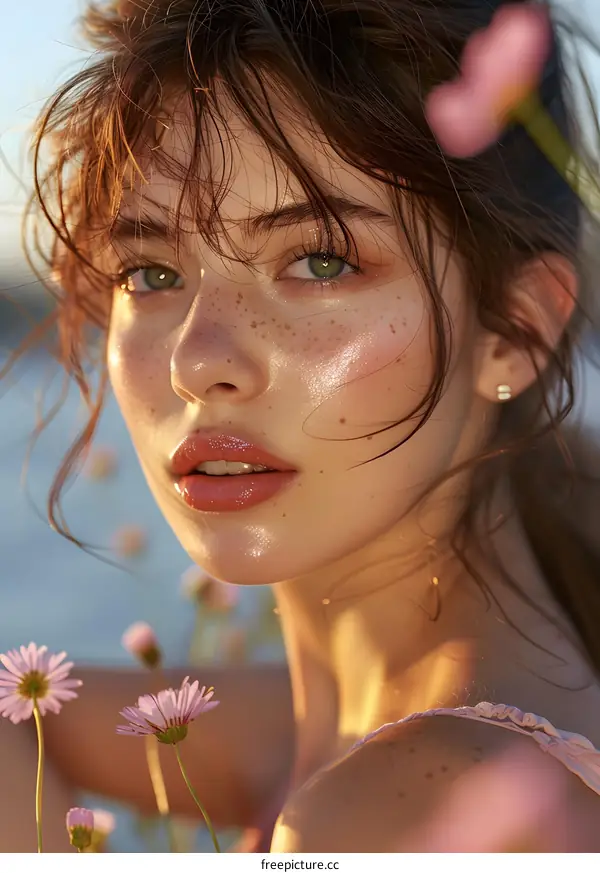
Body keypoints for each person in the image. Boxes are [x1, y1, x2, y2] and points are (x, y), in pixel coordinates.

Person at [5, 0, 600, 852]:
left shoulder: (393, 811)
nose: (196, 361)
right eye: (151, 271)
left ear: (516, 332)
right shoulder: (338, 736)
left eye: (320, 261)